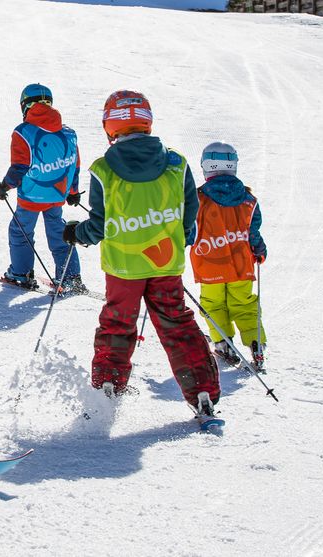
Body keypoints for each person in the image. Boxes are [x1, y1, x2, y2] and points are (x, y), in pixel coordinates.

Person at [63, 90, 220, 416]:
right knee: (176, 324)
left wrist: (76, 233)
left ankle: (108, 385)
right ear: (147, 122)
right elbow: (190, 211)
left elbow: (100, 224)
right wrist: (182, 236)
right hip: (165, 263)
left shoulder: (103, 169)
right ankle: (201, 390)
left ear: (110, 126)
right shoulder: (176, 164)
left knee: (118, 322)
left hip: (123, 267)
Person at [0, 84, 84, 293]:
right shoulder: (69, 133)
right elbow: (74, 165)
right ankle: (70, 277)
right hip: (56, 194)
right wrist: (73, 192)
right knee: (59, 232)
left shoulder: (23, 132)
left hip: (32, 197)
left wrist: (4, 186)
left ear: (25, 106)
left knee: (20, 231)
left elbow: (20, 167)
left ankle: (21, 273)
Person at [190, 142, 267, 368]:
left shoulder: (197, 199)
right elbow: (253, 232)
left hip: (209, 264)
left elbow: (188, 229)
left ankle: (223, 343)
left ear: (206, 166)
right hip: (240, 265)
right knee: (243, 303)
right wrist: (259, 250)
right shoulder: (248, 199)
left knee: (213, 304)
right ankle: (256, 343)